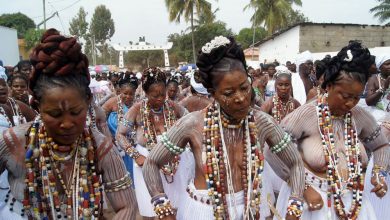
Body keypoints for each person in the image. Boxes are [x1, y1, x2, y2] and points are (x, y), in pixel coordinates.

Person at [142, 36, 305, 220]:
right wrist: (162, 207)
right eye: (229, 93)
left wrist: (294, 207)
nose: (241, 98)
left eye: (244, 88)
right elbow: (151, 163)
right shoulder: (193, 124)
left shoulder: (262, 122)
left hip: (249, 211)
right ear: (212, 93)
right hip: (203, 212)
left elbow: (296, 163)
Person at [0, 28, 137, 219]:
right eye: (55, 114)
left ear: (88, 101)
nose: (66, 124)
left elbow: (126, 207)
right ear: (38, 106)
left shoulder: (101, 149)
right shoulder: (12, 142)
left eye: (75, 112)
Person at [275, 41, 390, 220]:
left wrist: (379, 172)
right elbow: (272, 152)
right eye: (345, 96)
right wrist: (302, 188)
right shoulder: (306, 114)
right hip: (312, 203)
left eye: (356, 97)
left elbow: (381, 145)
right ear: (328, 86)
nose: (350, 103)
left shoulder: (359, 116)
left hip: (354, 202)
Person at [116, 67, 187, 219]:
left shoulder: (173, 106)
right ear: (146, 94)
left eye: (163, 94)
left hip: (172, 161)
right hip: (145, 161)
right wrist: (136, 156)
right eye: (155, 96)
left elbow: (190, 121)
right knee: (150, 209)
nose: (161, 99)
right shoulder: (137, 109)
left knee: (175, 205)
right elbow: (120, 135)